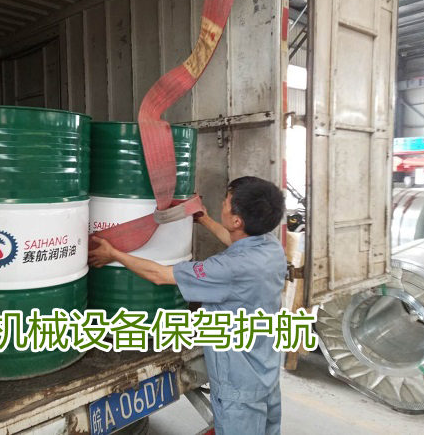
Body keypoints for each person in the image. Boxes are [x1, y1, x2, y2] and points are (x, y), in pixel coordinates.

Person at [88, 176, 287, 434]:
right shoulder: (270, 246)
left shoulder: (227, 269)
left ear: (238, 221)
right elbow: (234, 241)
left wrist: (113, 254)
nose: (222, 204)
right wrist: (204, 219)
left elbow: (160, 275)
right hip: (265, 371)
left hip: (239, 386)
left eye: (226, 202)